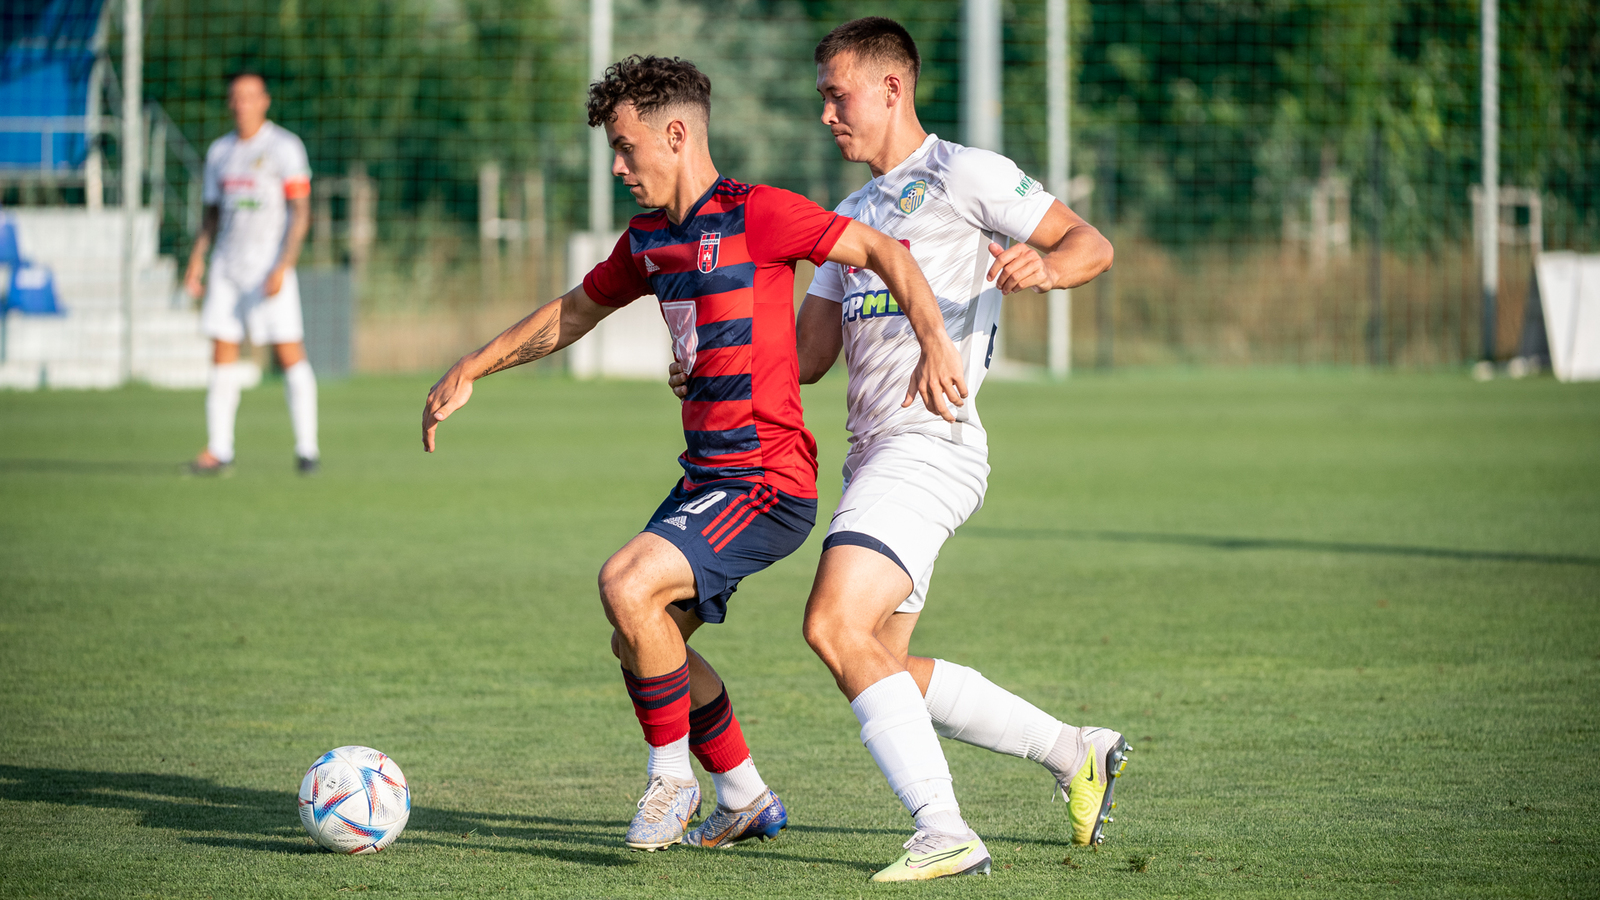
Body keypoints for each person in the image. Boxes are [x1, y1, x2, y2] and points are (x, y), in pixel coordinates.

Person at [420, 55, 967, 853]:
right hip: (706, 479)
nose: (617, 166)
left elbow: (888, 252)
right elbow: (574, 313)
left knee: (626, 583)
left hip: (766, 482)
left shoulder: (759, 213)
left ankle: (672, 779)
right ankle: (744, 796)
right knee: (639, 638)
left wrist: (935, 342)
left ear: (675, 135)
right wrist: (473, 366)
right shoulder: (649, 239)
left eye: (625, 147)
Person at [671, 17, 1121, 881]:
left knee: (831, 624)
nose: (826, 115)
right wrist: (710, 357)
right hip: (875, 458)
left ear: (891, 87)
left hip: (932, 445)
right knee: (881, 662)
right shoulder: (847, 217)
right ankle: (1075, 751)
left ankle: (944, 830)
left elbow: (1089, 244)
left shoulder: (964, 173)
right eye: (822, 99)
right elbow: (806, 357)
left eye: (837, 96)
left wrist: (1046, 267)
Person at [185, 71, 318, 476]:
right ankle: (219, 450)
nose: (242, 104)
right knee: (221, 353)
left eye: (249, 96)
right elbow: (212, 213)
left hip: (268, 267)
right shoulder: (220, 152)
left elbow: (300, 213)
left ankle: (307, 449)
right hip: (227, 266)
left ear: (264, 101)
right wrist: (197, 259)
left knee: (288, 353)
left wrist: (283, 265)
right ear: (230, 103)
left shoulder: (284, 147)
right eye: (236, 97)